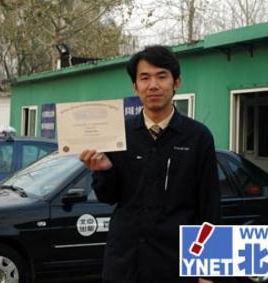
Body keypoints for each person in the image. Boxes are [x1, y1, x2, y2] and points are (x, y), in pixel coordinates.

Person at [79, 45, 220, 283]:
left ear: (177, 82)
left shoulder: (198, 136)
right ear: (135, 86)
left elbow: (210, 208)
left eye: (161, 76)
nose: (153, 85)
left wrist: (208, 271)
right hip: (125, 264)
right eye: (144, 78)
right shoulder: (119, 133)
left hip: (175, 264)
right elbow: (108, 197)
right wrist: (104, 172)